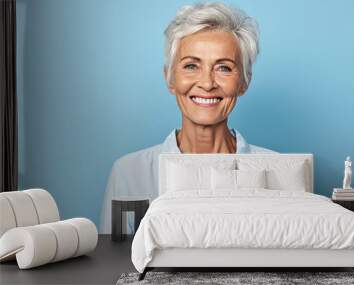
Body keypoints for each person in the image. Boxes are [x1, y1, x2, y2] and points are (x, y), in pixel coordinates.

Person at [100, 2, 275, 234]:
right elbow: (113, 263)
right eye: (191, 66)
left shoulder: (276, 170)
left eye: (223, 68)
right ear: (170, 78)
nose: (207, 83)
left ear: (244, 82)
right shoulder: (128, 173)